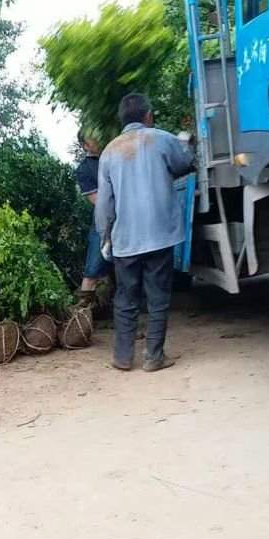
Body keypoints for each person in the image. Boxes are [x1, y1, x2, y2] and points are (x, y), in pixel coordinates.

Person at [95, 93, 194, 372]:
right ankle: (153, 356)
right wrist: (187, 141)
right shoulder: (161, 139)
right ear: (148, 116)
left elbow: (104, 203)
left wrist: (105, 235)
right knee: (158, 295)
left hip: (126, 240)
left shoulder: (110, 152)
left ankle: (123, 357)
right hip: (159, 234)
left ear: (121, 121)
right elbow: (185, 162)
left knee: (126, 297)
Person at [75, 128, 112, 308]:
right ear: (85, 145)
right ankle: (82, 316)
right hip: (103, 224)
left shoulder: (114, 156)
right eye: (92, 137)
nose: (97, 138)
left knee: (126, 269)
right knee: (92, 270)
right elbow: (96, 201)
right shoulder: (84, 170)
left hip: (126, 221)